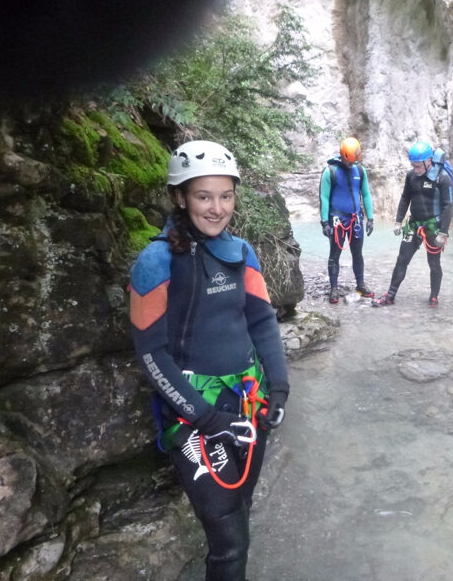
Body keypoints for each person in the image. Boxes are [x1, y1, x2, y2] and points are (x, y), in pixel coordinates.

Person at [129, 140, 289, 581]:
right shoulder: (156, 261)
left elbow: (262, 322)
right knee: (230, 543)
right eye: (204, 196)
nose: (217, 208)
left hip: (247, 401)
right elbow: (151, 351)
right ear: (180, 197)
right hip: (194, 411)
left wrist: (278, 386)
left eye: (226, 196)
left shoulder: (242, 253)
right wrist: (201, 415)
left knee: (240, 512)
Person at [372, 140, 453, 308]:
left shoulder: (442, 179)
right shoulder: (411, 176)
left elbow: (448, 205)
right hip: (414, 225)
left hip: (433, 227)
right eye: (413, 165)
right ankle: (390, 295)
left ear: (429, 161)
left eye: (418, 166)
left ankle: (433, 297)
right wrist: (398, 220)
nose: (415, 170)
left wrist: (443, 233)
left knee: (433, 263)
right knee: (402, 259)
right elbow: (405, 198)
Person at [319, 136, 375, 304]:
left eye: (354, 161)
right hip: (337, 220)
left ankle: (360, 284)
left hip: (355, 220)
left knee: (357, 254)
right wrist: (324, 222)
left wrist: (370, 218)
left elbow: (365, 194)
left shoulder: (360, 171)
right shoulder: (330, 172)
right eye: (349, 161)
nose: (351, 164)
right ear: (342, 156)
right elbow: (324, 198)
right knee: (334, 254)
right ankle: (334, 288)